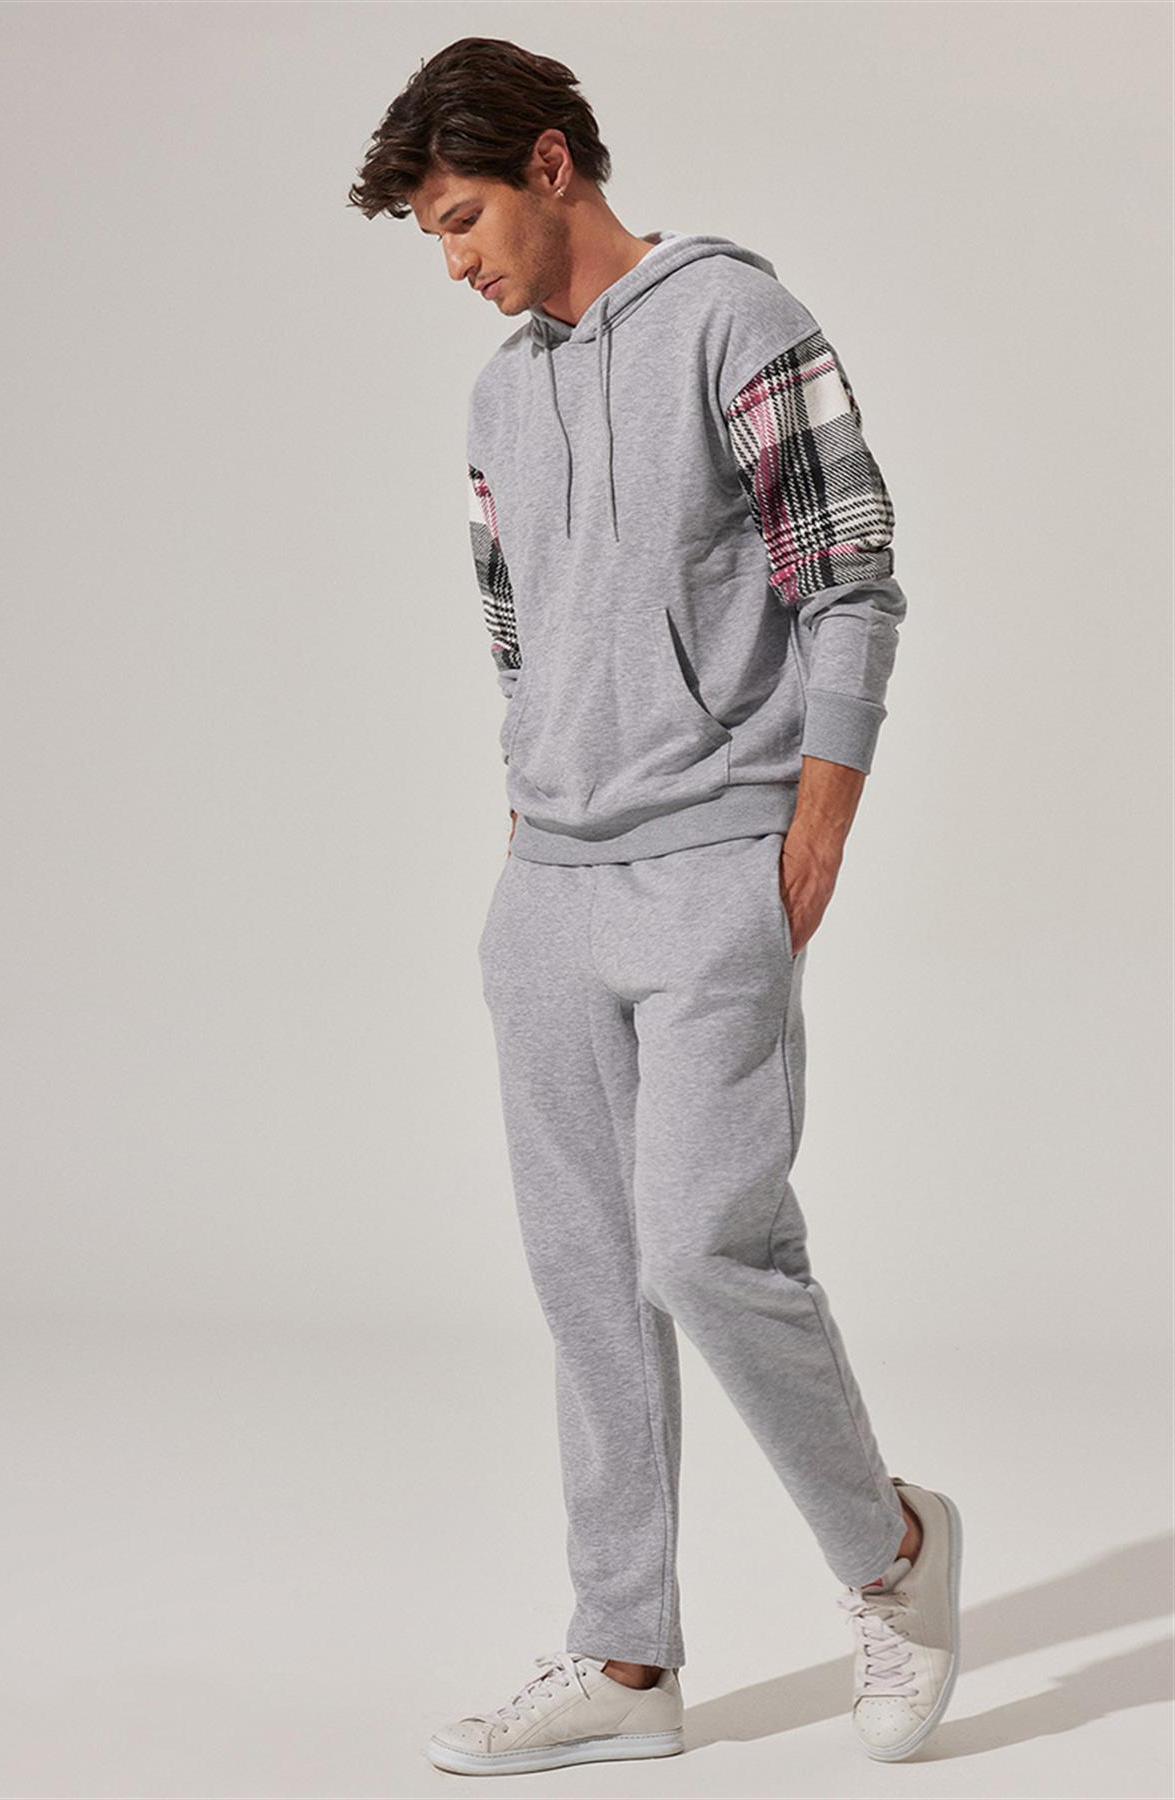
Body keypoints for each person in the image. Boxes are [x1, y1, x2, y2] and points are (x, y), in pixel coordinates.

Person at [349, 36, 963, 1779]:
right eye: (432, 235)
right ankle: (626, 1661)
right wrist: (531, 804)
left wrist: (814, 827)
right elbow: (513, 622)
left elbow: (851, 577)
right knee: (585, 1278)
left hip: (714, 864)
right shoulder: (500, 397)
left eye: (462, 219)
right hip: (549, 885)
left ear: (551, 167)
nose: (454, 263)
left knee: (704, 1242)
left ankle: (894, 1557)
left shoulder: (736, 322)